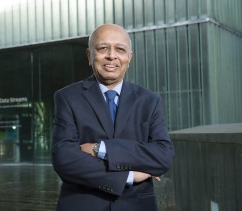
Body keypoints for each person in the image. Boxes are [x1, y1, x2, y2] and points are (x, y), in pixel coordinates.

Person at [51, 23, 175, 211]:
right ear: (89, 55)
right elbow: (64, 158)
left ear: (129, 57)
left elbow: (163, 155)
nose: (111, 55)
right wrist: (129, 176)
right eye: (103, 48)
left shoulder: (149, 100)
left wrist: (100, 149)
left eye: (120, 49)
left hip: (137, 205)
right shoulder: (67, 97)